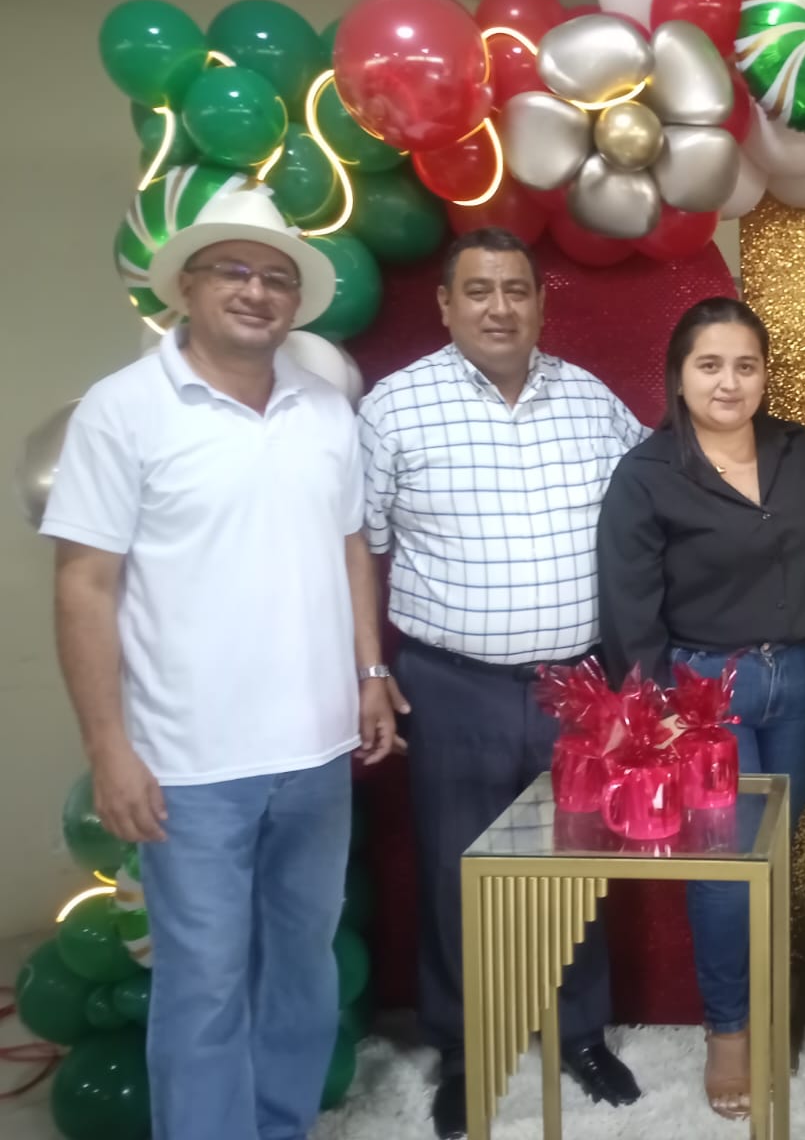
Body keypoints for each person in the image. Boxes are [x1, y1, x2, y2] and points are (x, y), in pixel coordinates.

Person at [41, 187, 401, 1140]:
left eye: (277, 277)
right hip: (188, 766)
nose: (257, 291)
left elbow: (350, 547)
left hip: (317, 752)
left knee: (301, 969)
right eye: (233, 271)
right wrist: (107, 748)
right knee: (201, 986)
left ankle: (279, 1125)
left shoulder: (324, 411)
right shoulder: (123, 412)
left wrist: (370, 674)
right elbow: (84, 586)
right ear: (187, 287)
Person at [357, 227, 647, 1139]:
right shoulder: (394, 408)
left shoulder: (590, 399)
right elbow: (358, 546)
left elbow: (655, 499)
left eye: (516, 289)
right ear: (445, 305)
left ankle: (581, 1033)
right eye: (478, 290)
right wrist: (370, 667)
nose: (499, 307)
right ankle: (461, 1046)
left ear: (539, 303)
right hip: (452, 685)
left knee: (574, 864)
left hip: (576, 685)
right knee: (457, 873)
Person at [596, 296, 805, 1120]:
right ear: (679, 375)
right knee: (726, 868)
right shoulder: (647, 473)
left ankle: (771, 1000)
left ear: (765, 374)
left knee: (773, 856)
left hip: (798, 678)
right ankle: (727, 1028)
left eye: (745, 365)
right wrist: (659, 706)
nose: (728, 382)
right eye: (709, 365)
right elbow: (629, 606)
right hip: (703, 692)